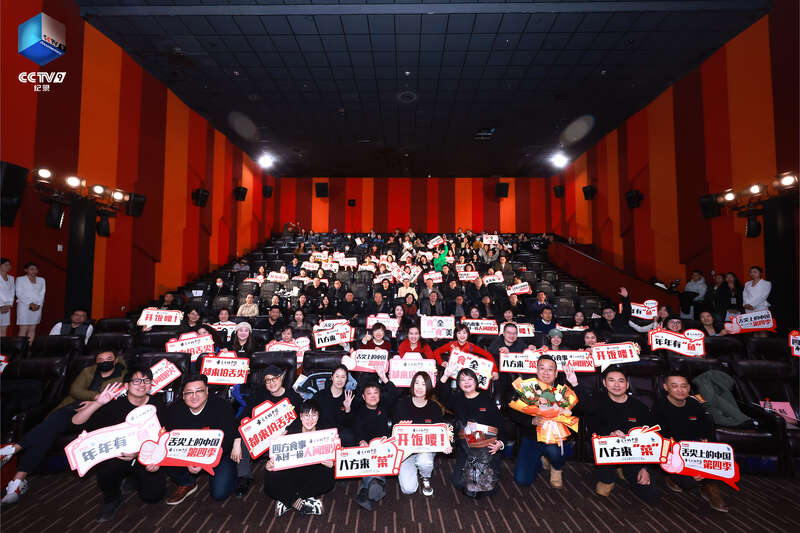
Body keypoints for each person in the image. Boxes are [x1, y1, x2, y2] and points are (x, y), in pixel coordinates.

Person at [0, 351, 126, 504]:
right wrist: (95, 397)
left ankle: (13, 450)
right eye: (101, 359)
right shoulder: (88, 371)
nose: (104, 362)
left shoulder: (123, 374)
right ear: (96, 362)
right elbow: (75, 390)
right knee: (47, 432)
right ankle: (17, 482)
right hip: (73, 407)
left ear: (115, 360)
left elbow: (117, 394)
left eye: (108, 359)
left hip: (95, 412)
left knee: (50, 426)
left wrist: (95, 402)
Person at [70, 367, 167, 521]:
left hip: (146, 455)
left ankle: (134, 478)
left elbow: (165, 436)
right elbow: (76, 422)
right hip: (118, 456)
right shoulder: (115, 405)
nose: (142, 384)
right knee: (106, 471)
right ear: (126, 385)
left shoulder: (158, 404)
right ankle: (112, 498)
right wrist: (98, 403)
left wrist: (142, 454)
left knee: (153, 496)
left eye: (146, 381)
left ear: (150, 385)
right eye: (136, 381)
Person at [581, 365, 659, 503]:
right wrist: (608, 434)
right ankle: (608, 476)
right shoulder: (596, 402)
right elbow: (591, 429)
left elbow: (649, 438)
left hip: (633, 454)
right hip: (606, 450)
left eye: (621, 381)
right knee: (606, 483)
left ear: (627, 384)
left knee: (651, 495)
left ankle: (622, 470)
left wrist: (644, 468)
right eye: (611, 380)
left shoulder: (639, 407)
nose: (616, 385)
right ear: (604, 383)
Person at [652, 370, 727, 512]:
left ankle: (709, 486)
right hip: (673, 451)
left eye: (684, 386)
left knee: (719, 457)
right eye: (674, 386)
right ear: (666, 387)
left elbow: (708, 428)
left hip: (695, 447)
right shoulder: (659, 407)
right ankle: (669, 475)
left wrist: (707, 443)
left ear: (689, 387)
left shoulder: (695, 404)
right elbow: (661, 441)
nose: (680, 390)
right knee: (688, 483)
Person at [161, 374, 241, 503]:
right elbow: (168, 441)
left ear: (207, 391)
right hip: (186, 453)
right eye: (189, 392)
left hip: (218, 453)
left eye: (199, 391)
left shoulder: (222, 406)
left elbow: (227, 440)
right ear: (183, 395)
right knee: (162, 454)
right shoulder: (174, 410)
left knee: (220, 493)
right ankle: (186, 482)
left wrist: (203, 461)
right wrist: (187, 460)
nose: (194, 396)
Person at [508, 355, 578, 490]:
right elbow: (512, 411)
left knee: (555, 453)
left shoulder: (563, 391)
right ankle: (541, 461)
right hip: (532, 437)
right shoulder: (527, 388)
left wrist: (575, 384)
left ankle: (556, 467)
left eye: (550, 369)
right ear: (536, 371)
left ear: (556, 373)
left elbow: (586, 406)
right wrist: (531, 420)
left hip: (555, 438)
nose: (546, 372)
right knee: (522, 480)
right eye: (542, 368)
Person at [237, 365, 303, 497]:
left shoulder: (293, 396)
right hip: (262, 438)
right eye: (268, 380)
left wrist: (287, 431)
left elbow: (300, 421)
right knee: (243, 439)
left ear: (281, 378)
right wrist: (236, 440)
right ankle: (244, 477)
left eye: (275, 379)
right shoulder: (259, 394)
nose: (271, 383)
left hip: (284, 438)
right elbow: (243, 416)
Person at [437, 366, 504, 497]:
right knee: (458, 483)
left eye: (470, 379)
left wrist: (500, 443)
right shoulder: (457, 400)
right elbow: (441, 394)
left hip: (487, 448)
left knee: (487, 486)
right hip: (466, 448)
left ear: (476, 381)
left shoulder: (487, 400)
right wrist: (445, 375)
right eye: (462, 380)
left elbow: (500, 423)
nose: (467, 382)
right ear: (458, 383)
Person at [263, 399, 335, 516]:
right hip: (293, 473)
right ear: (301, 417)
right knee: (269, 475)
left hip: (313, 473)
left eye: (314, 415)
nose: (310, 420)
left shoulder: (326, 432)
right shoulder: (291, 431)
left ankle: (288, 500)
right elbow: (279, 457)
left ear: (318, 416)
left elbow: (337, 456)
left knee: (329, 473)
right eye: (306, 416)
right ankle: (300, 501)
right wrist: (271, 464)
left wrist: (333, 463)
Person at [393, 372, 449, 496]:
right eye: (417, 383)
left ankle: (425, 476)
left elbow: (440, 433)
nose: (419, 387)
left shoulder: (434, 407)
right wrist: (401, 427)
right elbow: (394, 433)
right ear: (412, 385)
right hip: (406, 451)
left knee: (424, 461)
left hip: (425, 450)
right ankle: (413, 467)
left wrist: (445, 445)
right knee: (408, 489)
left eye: (423, 384)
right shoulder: (402, 404)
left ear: (428, 387)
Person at [352, 367, 398, 510]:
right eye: (369, 393)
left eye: (376, 392)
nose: (372, 396)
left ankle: (365, 491)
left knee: (380, 456)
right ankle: (375, 483)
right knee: (368, 457)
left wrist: (384, 378)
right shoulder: (359, 411)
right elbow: (357, 429)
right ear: (363, 397)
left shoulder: (384, 406)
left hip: (383, 446)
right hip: (366, 447)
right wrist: (361, 441)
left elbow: (394, 393)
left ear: (380, 395)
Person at [313, 364, 356, 446]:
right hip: (322, 436)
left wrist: (348, 409)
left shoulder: (349, 397)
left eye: (343, 377)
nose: (340, 380)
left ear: (346, 379)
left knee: (349, 436)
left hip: (341, 436)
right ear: (332, 377)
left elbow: (351, 425)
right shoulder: (319, 396)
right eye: (337, 376)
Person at [15, 262, 45, 342]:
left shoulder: (41, 280)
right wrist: (30, 303)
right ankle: (20, 347)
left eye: (36, 269)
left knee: (32, 328)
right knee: (23, 328)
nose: (34, 271)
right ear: (26, 270)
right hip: (24, 306)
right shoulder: (20, 279)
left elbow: (42, 293)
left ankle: (29, 347)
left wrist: (38, 304)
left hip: (37, 306)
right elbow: (19, 293)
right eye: (32, 269)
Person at [0, 258, 14, 336]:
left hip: (7, 307)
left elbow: (12, 292)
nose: (9, 266)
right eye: (6, 265)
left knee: (4, 329)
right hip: (1, 305)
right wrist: (1, 305)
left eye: (9, 265)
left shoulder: (11, 278)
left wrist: (8, 305)